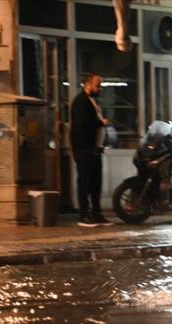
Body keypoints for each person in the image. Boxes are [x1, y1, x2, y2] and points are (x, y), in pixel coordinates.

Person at [70, 73, 112, 226]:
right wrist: (101, 123)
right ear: (87, 85)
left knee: (96, 183)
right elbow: (82, 124)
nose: (100, 88)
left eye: (100, 85)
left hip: (95, 149)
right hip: (84, 150)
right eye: (97, 85)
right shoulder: (80, 101)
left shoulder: (93, 101)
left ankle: (96, 213)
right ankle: (84, 215)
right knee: (85, 182)